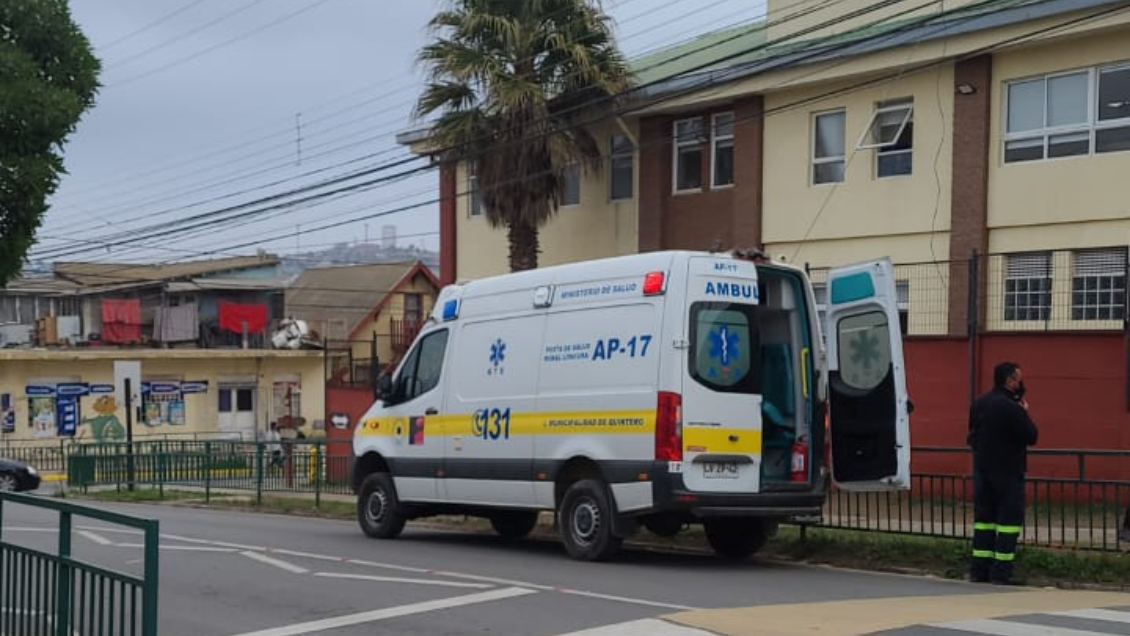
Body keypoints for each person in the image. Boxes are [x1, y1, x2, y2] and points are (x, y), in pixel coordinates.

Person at [967, 361, 1039, 585]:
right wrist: (1024, 412)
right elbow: (1031, 436)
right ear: (1009, 380)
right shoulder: (1011, 407)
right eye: (1019, 379)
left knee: (984, 521)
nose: (1021, 383)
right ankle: (1001, 573)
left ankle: (979, 571)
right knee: (1008, 523)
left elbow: (972, 433)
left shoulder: (979, 403)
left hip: (982, 471)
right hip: (1008, 473)